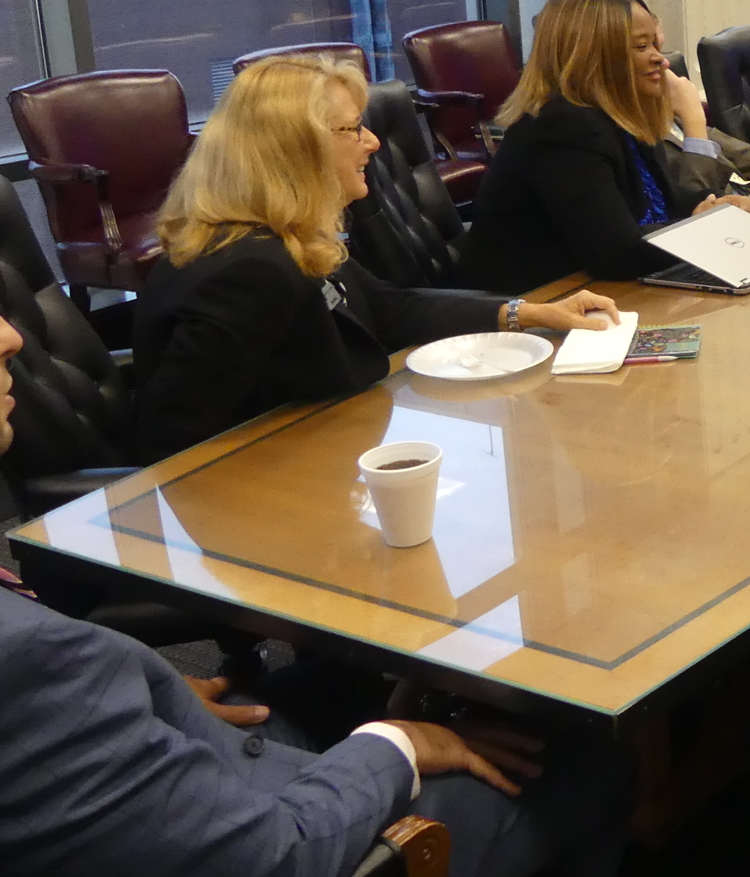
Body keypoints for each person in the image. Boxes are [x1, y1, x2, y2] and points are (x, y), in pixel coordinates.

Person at [0, 315, 635, 877]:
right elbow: (276, 857)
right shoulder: (32, 661)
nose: (12, 338)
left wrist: (133, 693)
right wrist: (399, 744)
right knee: (586, 757)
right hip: (293, 833)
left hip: (177, 758)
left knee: (346, 673)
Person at [132, 54, 614, 460]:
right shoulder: (247, 268)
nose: (373, 143)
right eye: (352, 129)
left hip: (335, 452)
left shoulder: (286, 236)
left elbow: (386, 306)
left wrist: (526, 313)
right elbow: (178, 443)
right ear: (295, 150)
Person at [457, 0, 750, 293]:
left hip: (602, 292)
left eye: (655, 44)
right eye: (642, 47)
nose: (660, 59)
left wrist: (717, 208)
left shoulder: (621, 114)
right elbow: (616, 254)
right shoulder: (561, 125)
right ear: (594, 57)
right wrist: (706, 228)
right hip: (533, 308)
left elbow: (665, 206)